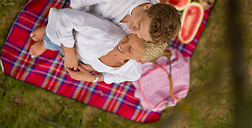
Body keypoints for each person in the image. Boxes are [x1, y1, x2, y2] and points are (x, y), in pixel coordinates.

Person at [30, 8, 167, 84]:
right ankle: (46, 33)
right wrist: (69, 53)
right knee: (50, 40)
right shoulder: (104, 32)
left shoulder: (133, 73)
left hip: (76, 59)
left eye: (130, 49)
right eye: (127, 37)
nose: (122, 44)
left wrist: (95, 77)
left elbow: (116, 77)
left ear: (139, 60)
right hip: (67, 40)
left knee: (52, 45)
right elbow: (66, 16)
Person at [36, 0, 181, 44]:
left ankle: (50, 35)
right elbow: (78, 0)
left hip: (97, 21)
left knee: (62, 39)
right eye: (138, 24)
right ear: (148, 6)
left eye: (141, 35)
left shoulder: (148, 30)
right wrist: (67, 23)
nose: (133, 31)